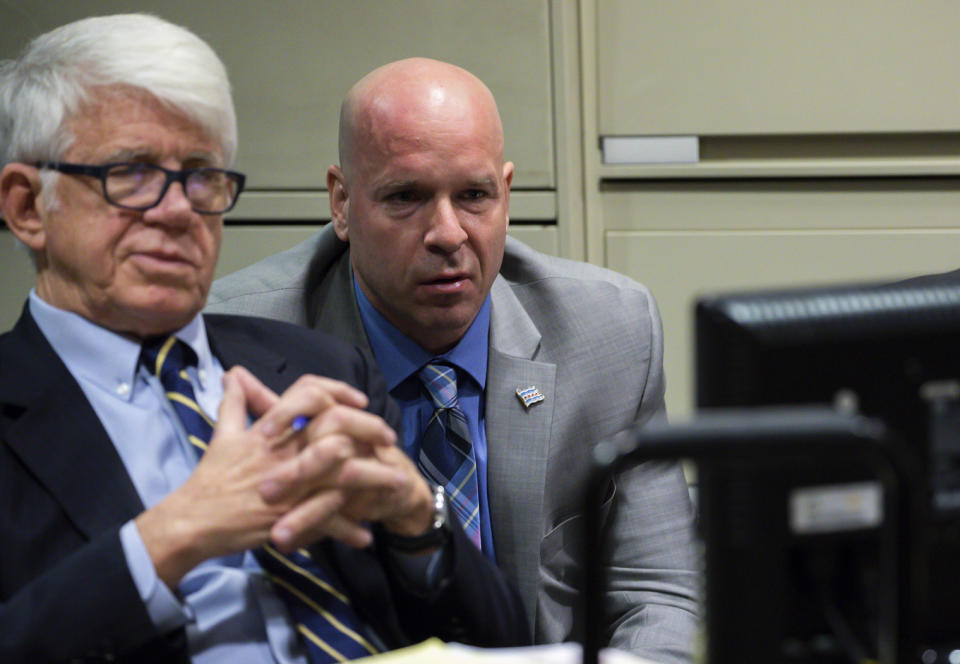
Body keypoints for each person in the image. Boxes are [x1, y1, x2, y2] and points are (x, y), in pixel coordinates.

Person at [0, 17, 528, 663]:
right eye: (131, 175)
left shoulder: (323, 370)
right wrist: (169, 538)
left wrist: (418, 524)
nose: (177, 211)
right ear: (28, 206)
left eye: (201, 176)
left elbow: (502, 644)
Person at [208, 57, 699, 662]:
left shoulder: (610, 331)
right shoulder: (242, 345)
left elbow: (658, 594)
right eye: (406, 197)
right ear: (342, 202)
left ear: (506, 193)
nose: (448, 233)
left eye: (473, 196)